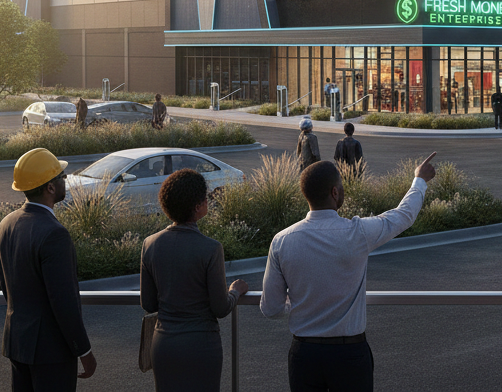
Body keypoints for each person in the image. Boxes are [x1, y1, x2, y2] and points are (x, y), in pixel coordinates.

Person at [261, 153, 438, 392]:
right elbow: (404, 215)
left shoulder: (281, 241)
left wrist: (300, 302)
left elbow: (271, 308)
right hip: (349, 354)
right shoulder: (358, 233)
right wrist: (419, 180)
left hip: (304, 355)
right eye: (341, 187)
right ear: (334, 193)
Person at [0, 147, 97, 391]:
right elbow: (64, 302)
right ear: (50, 188)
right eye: (61, 177)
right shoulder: (54, 234)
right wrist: (84, 351)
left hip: (17, 343)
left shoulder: (6, 224)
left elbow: (6, 287)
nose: (65, 181)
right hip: (51, 353)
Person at [140, 168, 249, 392]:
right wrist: (235, 291)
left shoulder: (150, 244)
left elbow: (149, 304)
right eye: (206, 197)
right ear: (198, 207)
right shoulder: (210, 249)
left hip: (164, 345)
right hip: (201, 346)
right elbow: (220, 307)